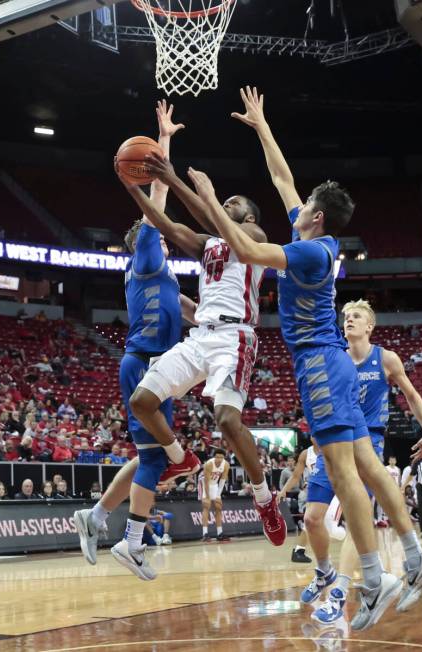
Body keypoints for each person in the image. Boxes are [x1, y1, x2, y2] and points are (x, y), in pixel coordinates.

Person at [187, 88, 422, 629]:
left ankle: (373, 579)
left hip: (321, 365)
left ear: (317, 218)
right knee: (368, 467)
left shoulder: (307, 250)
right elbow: (283, 180)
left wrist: (211, 201)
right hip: (335, 363)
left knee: (345, 473)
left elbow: (251, 251)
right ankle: (416, 560)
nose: (295, 209)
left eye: (306, 209)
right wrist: (261, 126)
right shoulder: (319, 239)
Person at [122, 128, 287, 555]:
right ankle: (180, 457)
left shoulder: (258, 239)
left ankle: (264, 500)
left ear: (250, 218)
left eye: (235, 204)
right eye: (224, 201)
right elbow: (166, 223)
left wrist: (177, 181)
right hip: (201, 336)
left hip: (236, 336)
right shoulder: (208, 244)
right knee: (142, 401)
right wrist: (132, 187)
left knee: (228, 422)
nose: (225, 206)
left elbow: (214, 217)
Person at [74, 101, 199, 572]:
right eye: (159, 233)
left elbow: (187, 310)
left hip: (152, 362)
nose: (165, 235)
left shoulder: (162, 276)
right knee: (158, 459)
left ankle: (98, 514)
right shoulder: (146, 252)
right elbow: (159, 200)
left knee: (145, 455)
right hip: (147, 362)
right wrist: (163, 142)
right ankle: (132, 541)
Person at [310, 299, 422, 624]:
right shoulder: (337, 359)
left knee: (358, 515)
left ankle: (345, 589)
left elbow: (412, 395)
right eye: (346, 317)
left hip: (368, 438)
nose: (349, 320)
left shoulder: (385, 358)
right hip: (336, 439)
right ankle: (333, 575)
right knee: (314, 518)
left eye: (356, 316)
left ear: (370, 326)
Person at [199, 448, 230, 542]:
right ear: (214, 457)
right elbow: (206, 481)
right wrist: (207, 496)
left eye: (221, 457)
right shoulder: (209, 464)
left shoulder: (226, 464)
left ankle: (219, 533)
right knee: (206, 506)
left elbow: (223, 480)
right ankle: (205, 533)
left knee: (218, 506)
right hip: (204, 484)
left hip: (215, 484)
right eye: (217, 457)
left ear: (224, 458)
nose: (219, 459)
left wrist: (217, 496)